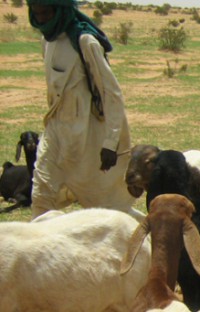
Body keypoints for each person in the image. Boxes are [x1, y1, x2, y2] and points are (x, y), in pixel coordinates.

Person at [27, 0, 141, 219]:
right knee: (41, 195)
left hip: (87, 137)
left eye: (46, 13)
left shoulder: (85, 42)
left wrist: (111, 142)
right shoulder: (47, 41)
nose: (40, 18)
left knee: (104, 209)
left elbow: (111, 93)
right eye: (36, 12)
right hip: (55, 131)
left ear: (60, 10)